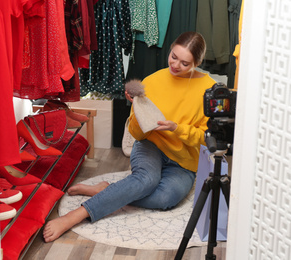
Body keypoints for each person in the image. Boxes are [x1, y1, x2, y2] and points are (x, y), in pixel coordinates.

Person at [43, 31, 217, 242]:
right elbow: (135, 133)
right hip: (151, 145)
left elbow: (205, 137)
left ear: (197, 63)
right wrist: (136, 110)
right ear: (170, 49)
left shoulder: (210, 89)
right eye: (173, 56)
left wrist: (176, 128)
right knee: (146, 181)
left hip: (184, 159)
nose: (175, 65)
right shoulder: (152, 81)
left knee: (165, 198)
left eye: (185, 63)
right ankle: (78, 214)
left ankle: (108, 191)